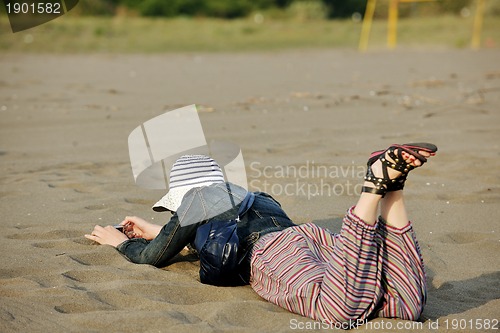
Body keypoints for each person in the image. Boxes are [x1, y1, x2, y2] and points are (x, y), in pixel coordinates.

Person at [85, 143, 437, 327]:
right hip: (309, 238)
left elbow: (152, 256)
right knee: (402, 306)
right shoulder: (256, 198)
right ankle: (394, 189)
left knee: (338, 308)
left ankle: (374, 188)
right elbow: (220, 228)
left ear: (183, 196)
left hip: (272, 253)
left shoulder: (195, 202)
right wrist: (161, 231)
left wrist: (122, 242)